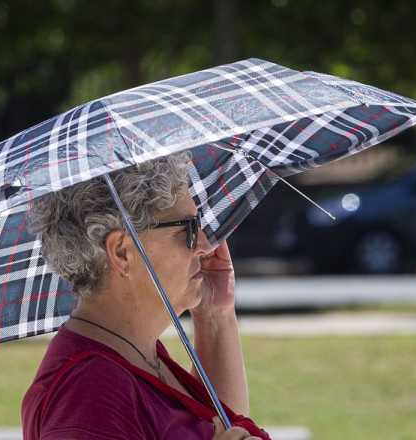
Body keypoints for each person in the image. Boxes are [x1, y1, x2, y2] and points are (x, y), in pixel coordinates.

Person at [22, 152, 270, 440]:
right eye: (188, 229)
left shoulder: (137, 356)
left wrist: (215, 314)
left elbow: (224, 425)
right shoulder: (89, 391)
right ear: (122, 252)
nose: (204, 244)